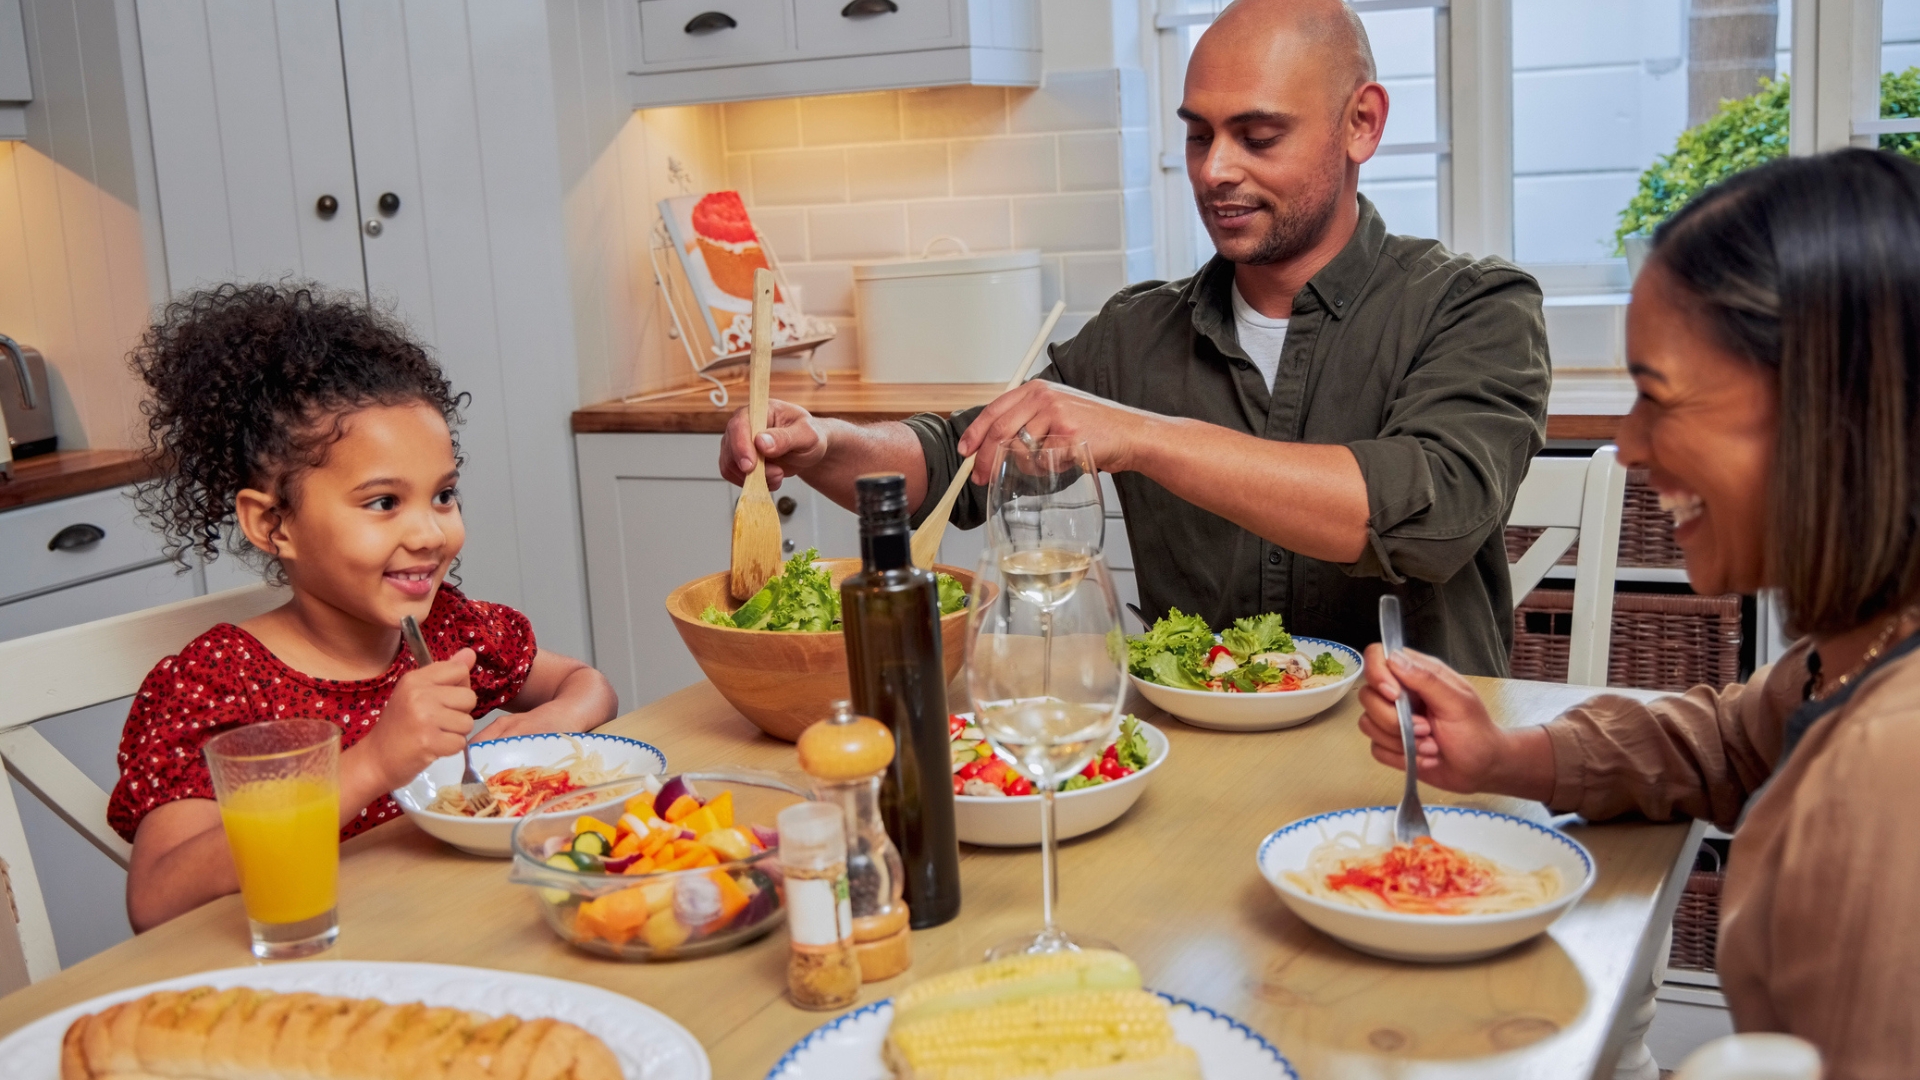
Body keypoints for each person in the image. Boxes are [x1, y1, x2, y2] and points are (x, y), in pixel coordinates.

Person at [719, 0, 1550, 675]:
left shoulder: (1477, 307)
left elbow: (1428, 515)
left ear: (1361, 124)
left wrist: (1143, 437)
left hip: (1414, 775)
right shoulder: (1137, 333)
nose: (1215, 169)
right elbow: (957, 464)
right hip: (1194, 762)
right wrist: (823, 444)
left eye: (1258, 137)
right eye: (1198, 134)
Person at [1355, 149, 1920, 1077]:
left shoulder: (1891, 767)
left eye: (1656, 396)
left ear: (1828, 408)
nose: (1625, 444)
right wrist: (1507, 755)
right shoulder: (1868, 646)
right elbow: (1736, 740)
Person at [112, 284, 617, 932]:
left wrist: (548, 723)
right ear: (273, 524)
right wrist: (373, 762)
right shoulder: (221, 684)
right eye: (383, 503)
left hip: (453, 934)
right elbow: (156, 898)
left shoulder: (449, 634)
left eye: (443, 495)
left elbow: (589, 684)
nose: (432, 533)